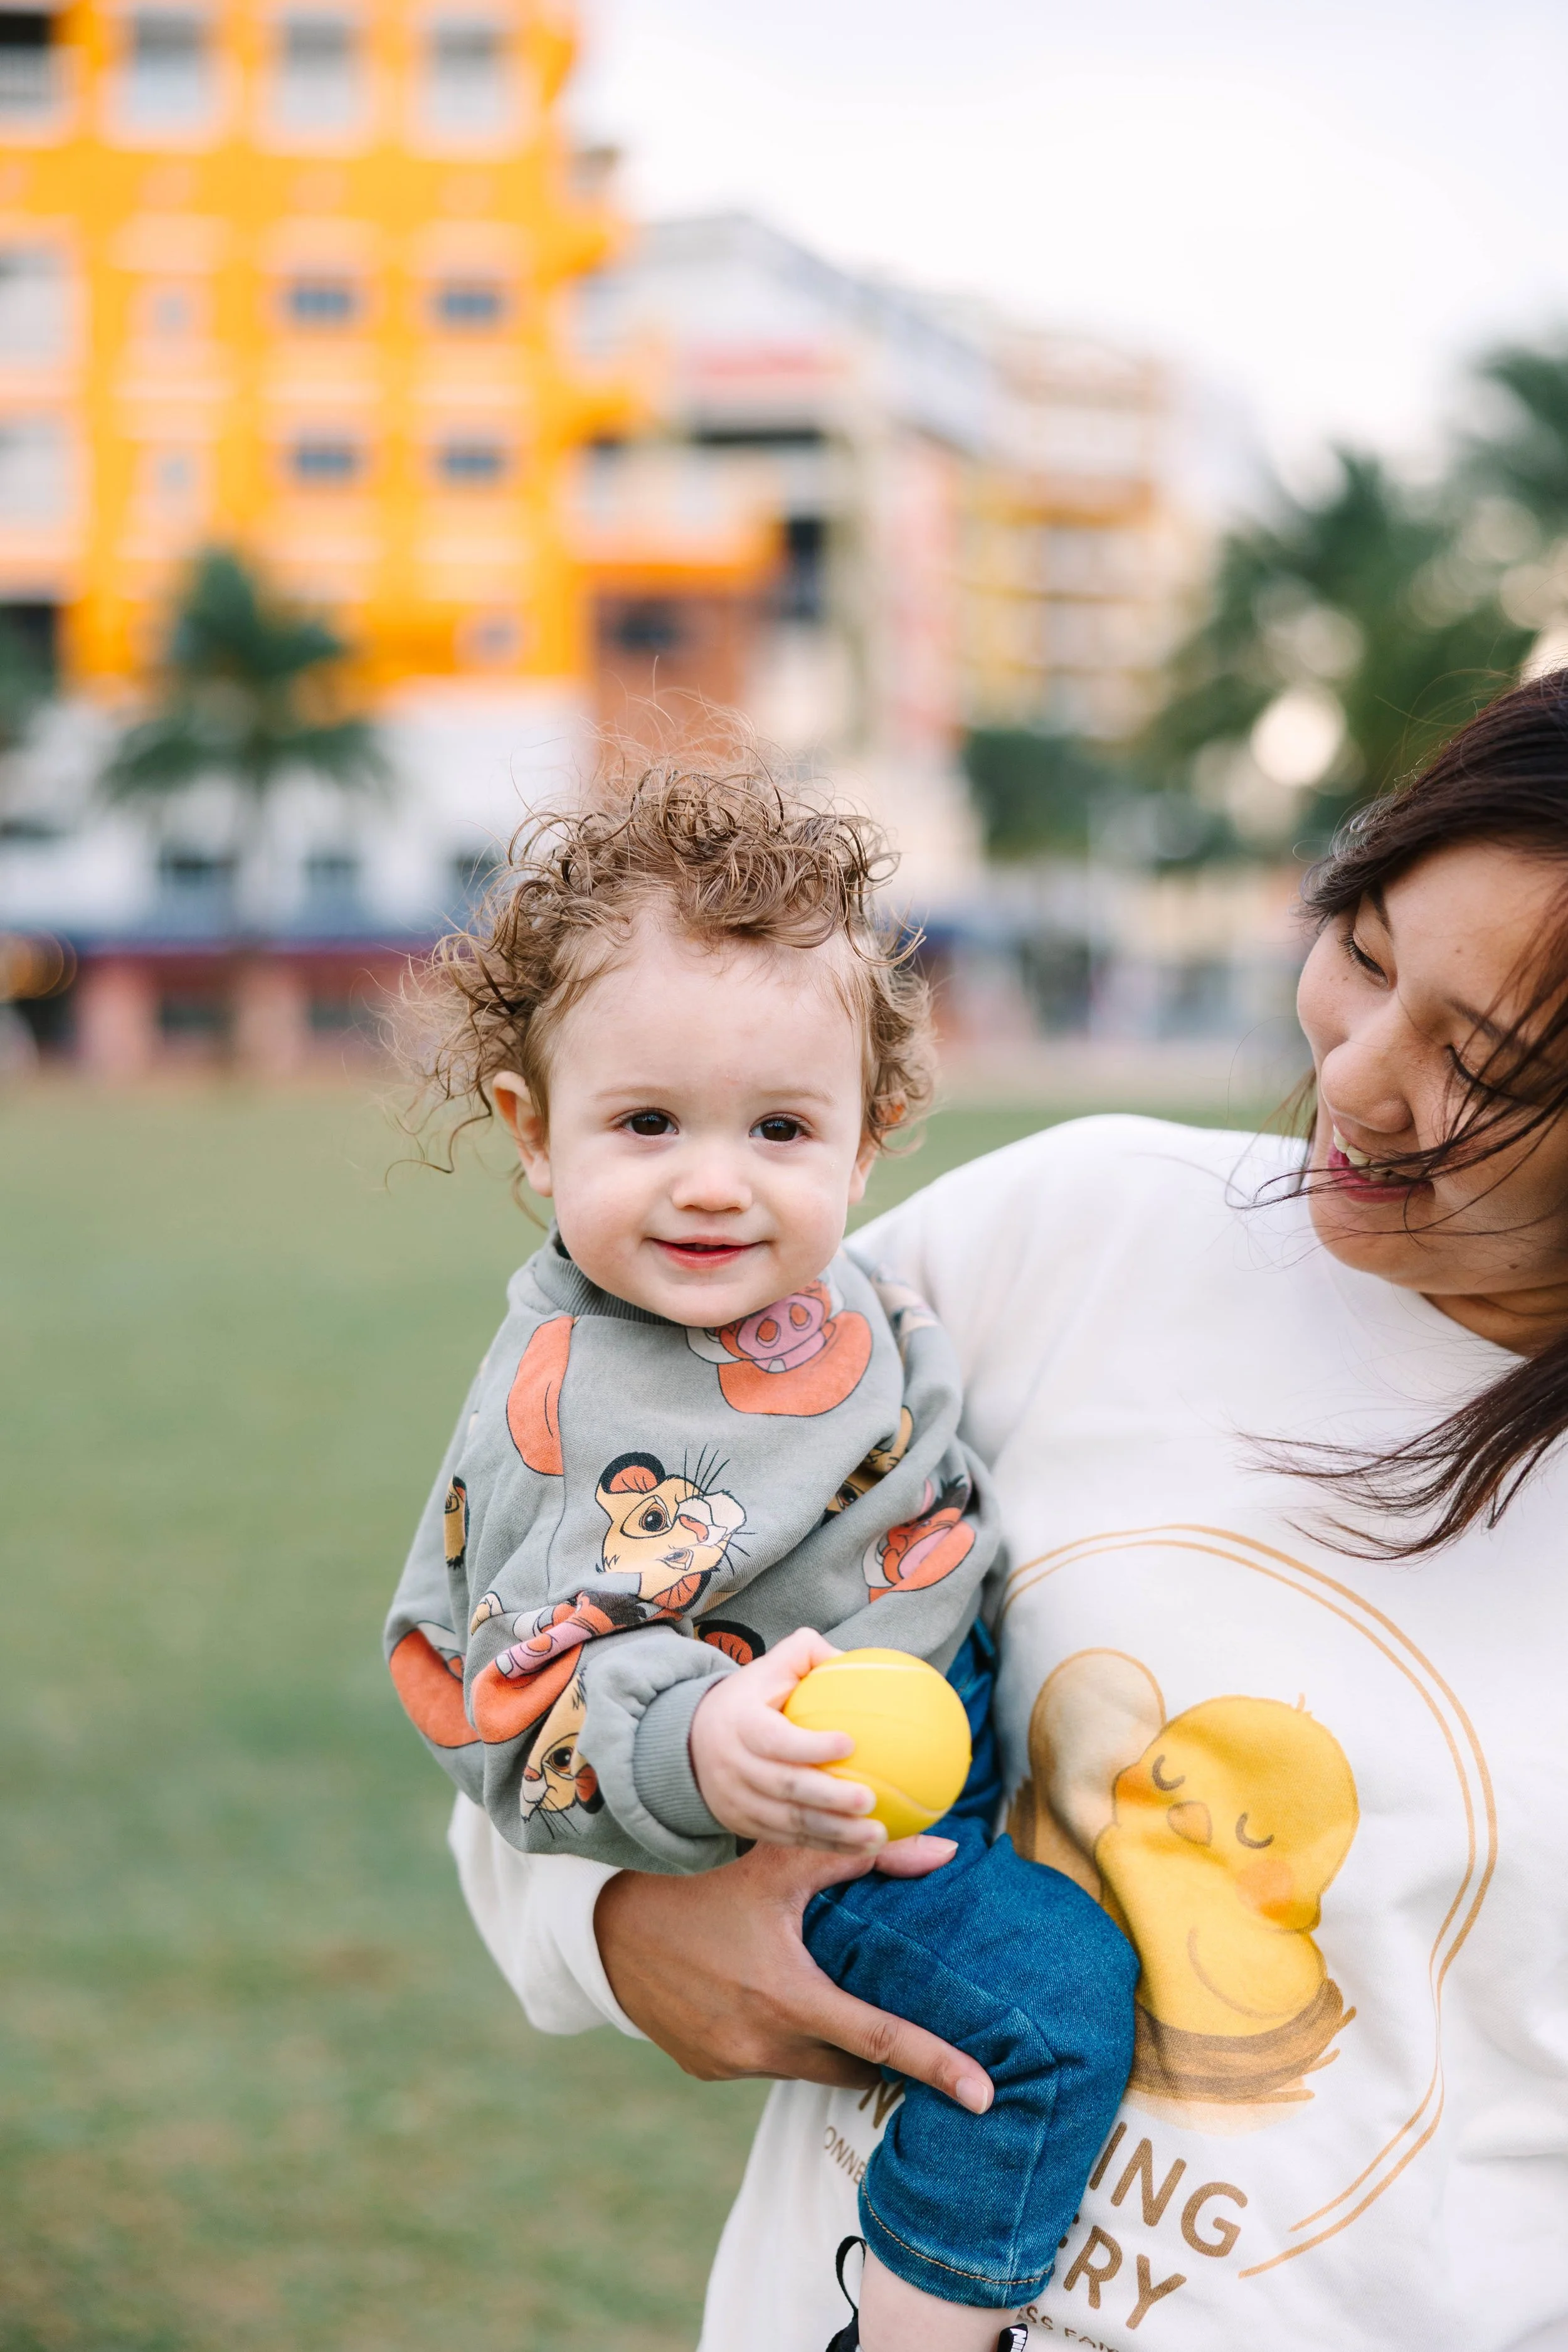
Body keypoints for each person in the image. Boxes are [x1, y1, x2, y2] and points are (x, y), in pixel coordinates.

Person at [445, 674, 1568, 2352]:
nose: (1354, 1077)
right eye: (1367, 951)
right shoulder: (1066, 1229)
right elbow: (540, 1672)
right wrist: (620, 1929)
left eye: (1478, 1064)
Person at [386, 765, 1136, 2352]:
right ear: (533, 1130)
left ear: (871, 1140)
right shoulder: (575, 1406)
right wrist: (703, 1747)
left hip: (937, 1719)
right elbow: (517, 1684)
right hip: (797, 1825)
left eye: (780, 1127)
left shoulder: (852, 1290)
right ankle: (923, 2329)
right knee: (1050, 2009)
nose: (714, 1179)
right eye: (646, 1123)